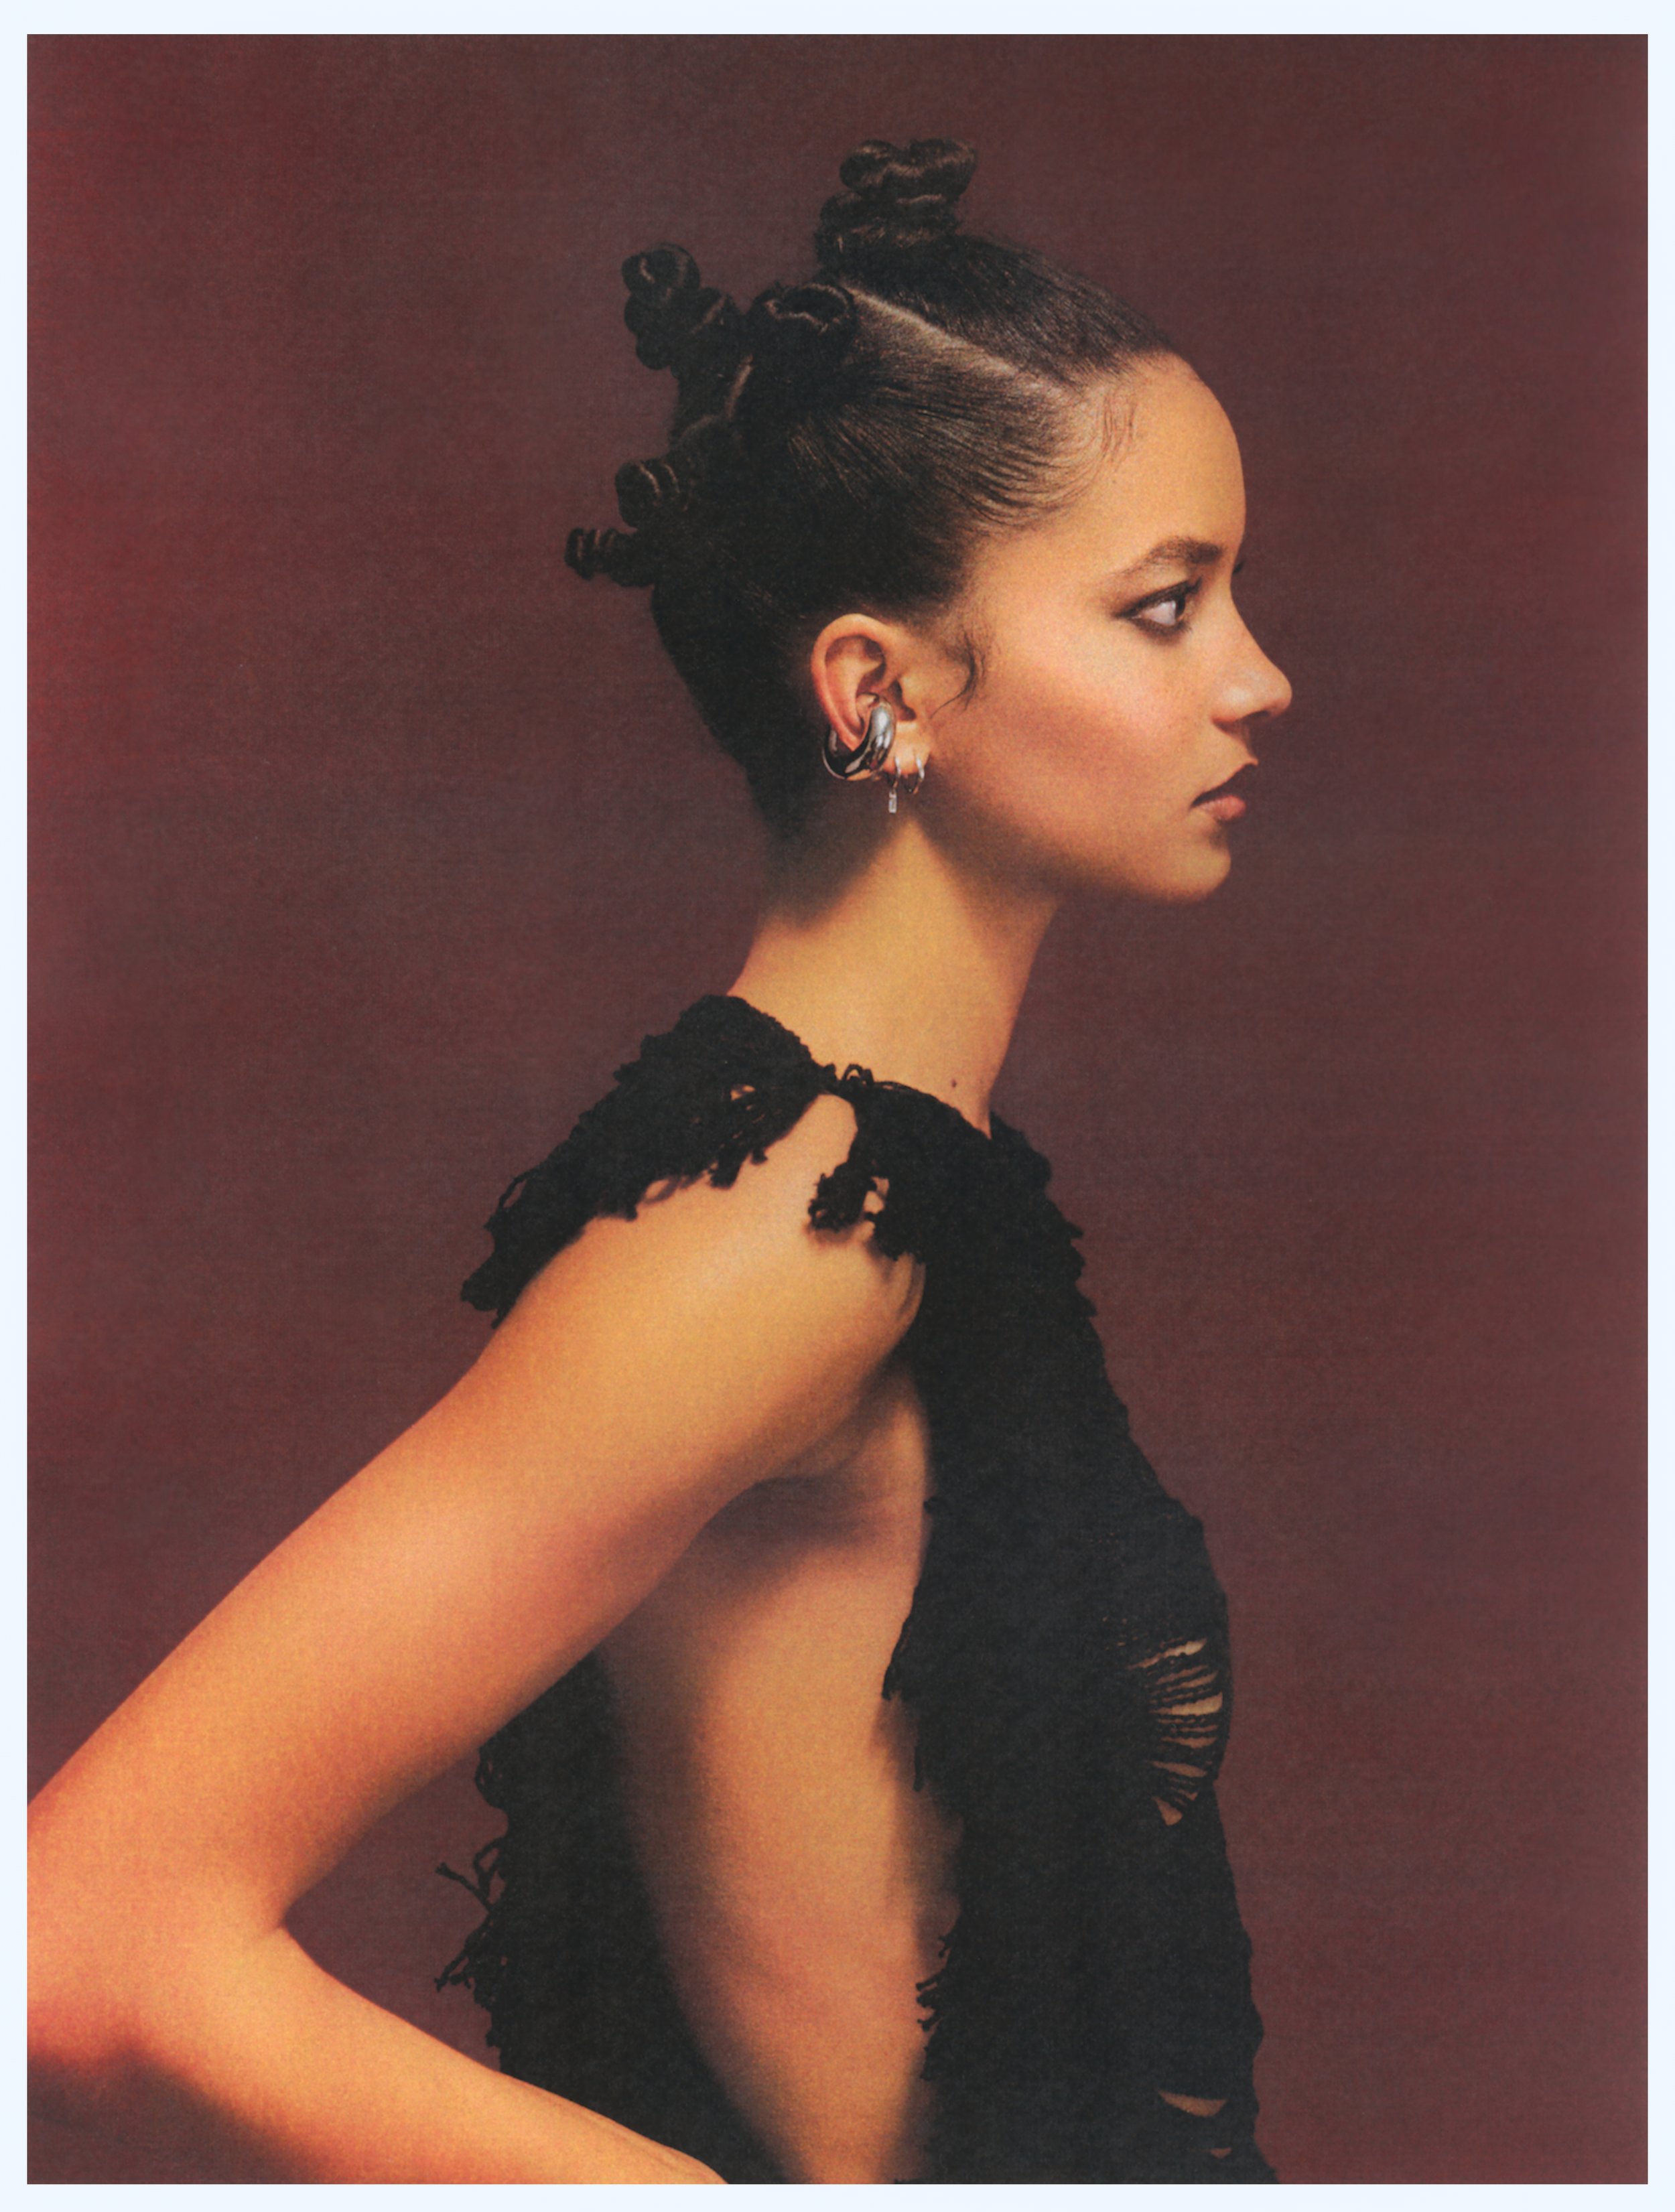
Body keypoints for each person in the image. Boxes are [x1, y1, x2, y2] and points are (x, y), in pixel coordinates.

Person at [28, 137, 1292, 2184]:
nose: (1256, 677)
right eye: (1165, 608)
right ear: (876, 690)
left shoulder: (905, 1191)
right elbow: (81, 1941)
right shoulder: (772, 1228)